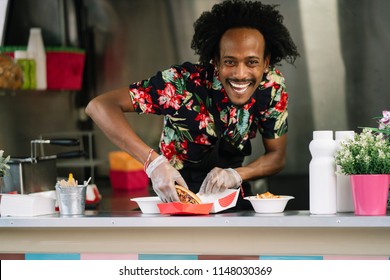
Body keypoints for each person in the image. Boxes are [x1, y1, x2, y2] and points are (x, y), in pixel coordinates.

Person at [85, 0, 299, 210]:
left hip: (232, 200)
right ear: (215, 60)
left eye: (251, 62)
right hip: (173, 199)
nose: (240, 74)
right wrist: (154, 163)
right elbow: (100, 106)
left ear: (266, 62)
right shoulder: (181, 84)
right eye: (230, 61)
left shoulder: (271, 87)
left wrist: (235, 175)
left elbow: (276, 157)